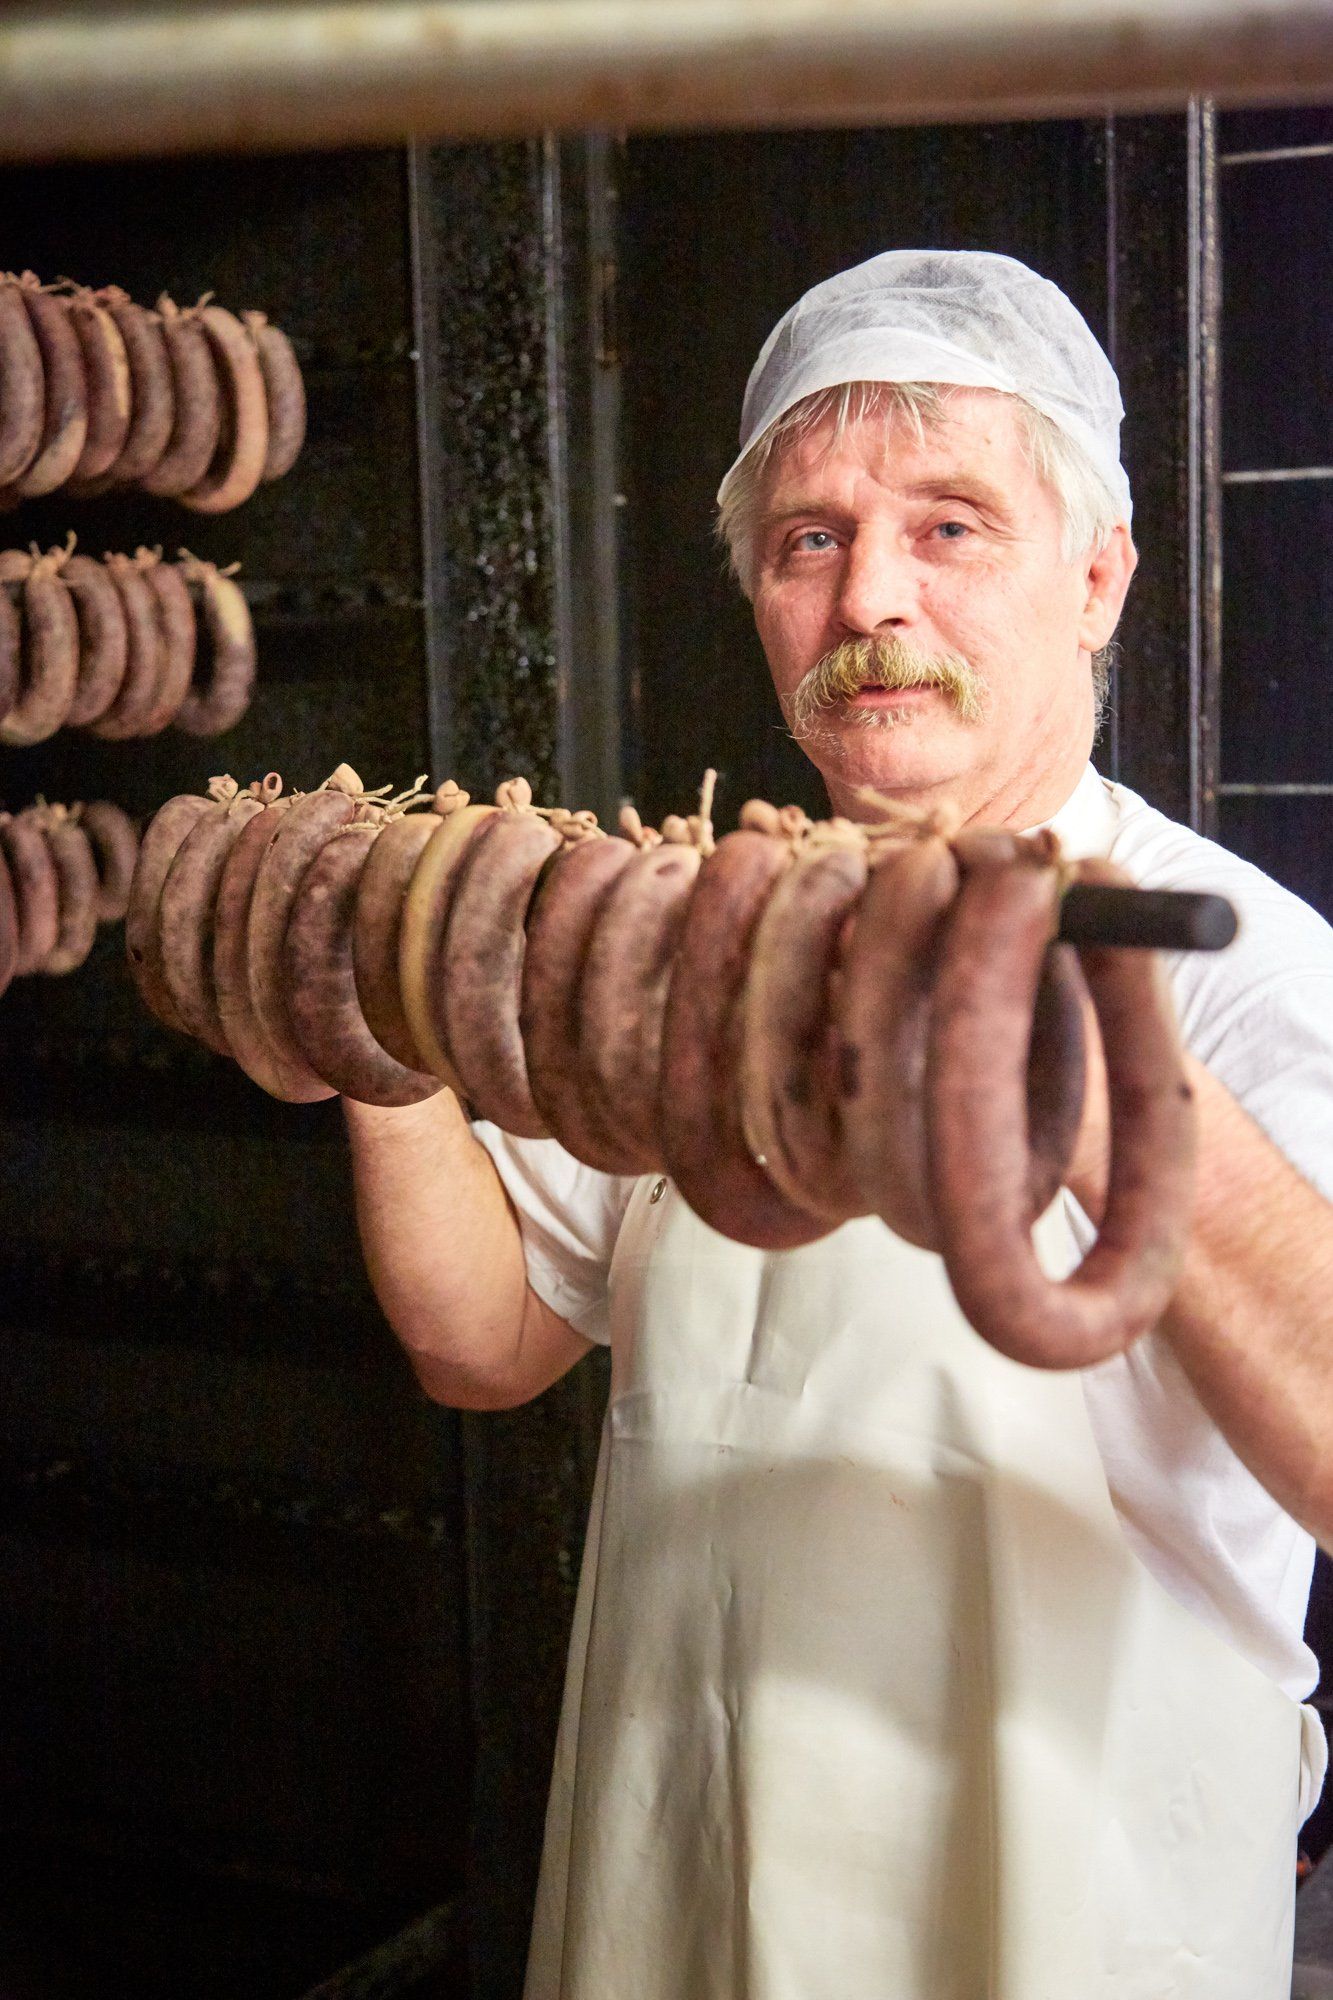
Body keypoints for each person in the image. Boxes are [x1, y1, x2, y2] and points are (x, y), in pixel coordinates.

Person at [344, 250, 1333, 1998]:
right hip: (679, 1871)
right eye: (810, 540)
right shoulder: (683, 931)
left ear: (1096, 576)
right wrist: (374, 1042)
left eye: (950, 525)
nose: (869, 593)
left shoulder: (1244, 967)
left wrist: (1086, 1082)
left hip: (1062, 1915)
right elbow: (483, 1341)